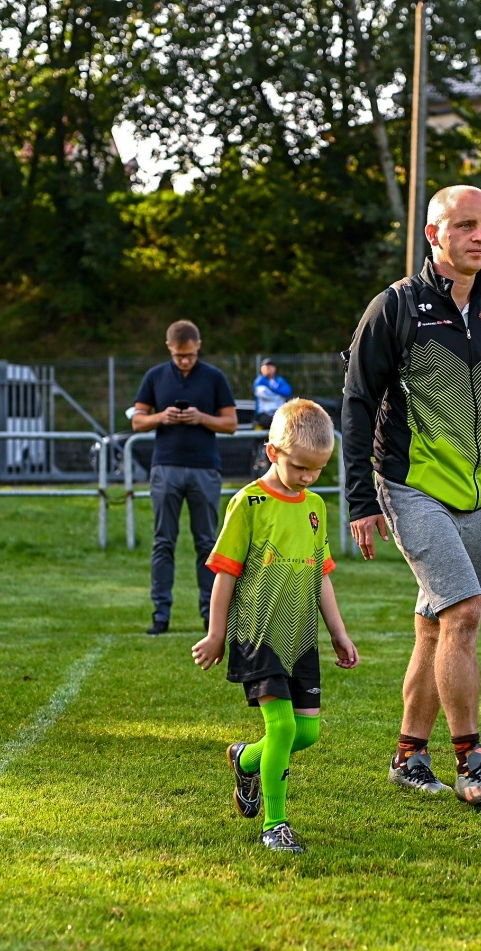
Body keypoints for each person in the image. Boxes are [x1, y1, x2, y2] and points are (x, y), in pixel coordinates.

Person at [342, 185, 481, 807]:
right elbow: (357, 404)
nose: (480, 237)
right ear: (433, 234)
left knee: (435, 629)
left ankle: (410, 755)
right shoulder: (395, 307)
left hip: (476, 492)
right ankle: (472, 761)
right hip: (408, 485)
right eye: (466, 226)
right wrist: (360, 499)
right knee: (463, 613)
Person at [192, 399, 358, 853]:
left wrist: (338, 632)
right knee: (282, 729)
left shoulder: (316, 507)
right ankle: (275, 824)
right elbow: (225, 575)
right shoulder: (250, 502)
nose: (308, 477)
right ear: (272, 453)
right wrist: (216, 633)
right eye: (300, 467)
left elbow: (319, 574)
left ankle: (245, 758)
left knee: (306, 733)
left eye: (318, 470)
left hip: (301, 636)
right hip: (257, 633)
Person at [131, 319, 237, 636]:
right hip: (166, 467)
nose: (185, 361)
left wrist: (200, 418)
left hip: (205, 468)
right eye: (179, 356)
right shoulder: (155, 376)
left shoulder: (214, 378)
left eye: (189, 355)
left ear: (198, 346)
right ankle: (160, 614)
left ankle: (210, 615)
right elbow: (137, 421)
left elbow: (230, 423)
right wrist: (162, 417)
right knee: (164, 541)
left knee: (207, 544)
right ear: (170, 350)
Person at [252, 358, 293, 429]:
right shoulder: (259, 381)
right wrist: (279, 394)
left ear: (275, 368)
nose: (268, 369)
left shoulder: (280, 380)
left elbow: (287, 391)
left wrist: (272, 389)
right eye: (265, 367)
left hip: (279, 412)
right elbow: (265, 394)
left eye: (270, 366)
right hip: (264, 414)